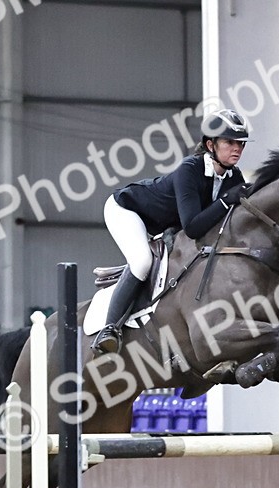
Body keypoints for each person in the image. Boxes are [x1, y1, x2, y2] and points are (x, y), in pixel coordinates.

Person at [91, 108, 253, 354]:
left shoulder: (233, 177)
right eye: (230, 142)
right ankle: (109, 329)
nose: (237, 149)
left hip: (165, 225)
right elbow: (193, 226)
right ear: (210, 144)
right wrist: (225, 201)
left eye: (240, 144)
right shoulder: (190, 169)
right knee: (142, 261)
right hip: (128, 210)